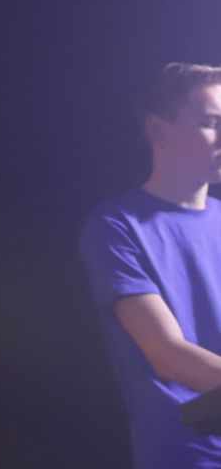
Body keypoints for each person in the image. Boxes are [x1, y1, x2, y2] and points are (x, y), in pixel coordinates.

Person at [80, 62, 221, 469]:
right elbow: (166, 353)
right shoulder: (116, 226)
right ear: (158, 131)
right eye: (210, 123)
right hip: (188, 456)